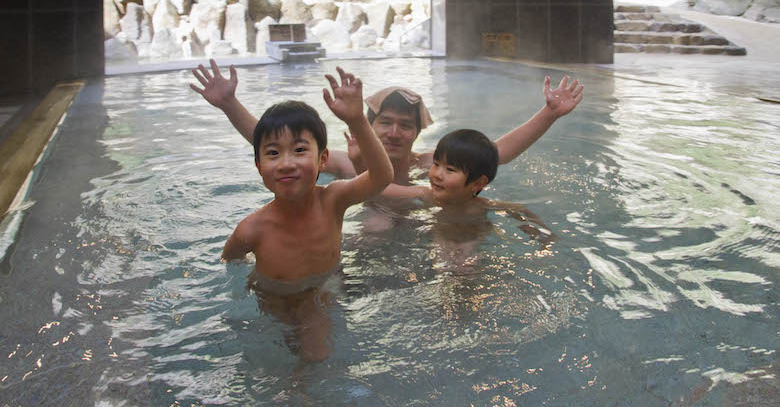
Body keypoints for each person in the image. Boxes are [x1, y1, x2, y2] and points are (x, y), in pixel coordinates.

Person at [221, 67, 393, 361]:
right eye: (273, 153)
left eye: (300, 150)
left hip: (319, 291)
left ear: (323, 159)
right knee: (269, 356)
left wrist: (357, 120)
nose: (286, 163)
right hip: (272, 296)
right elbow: (231, 260)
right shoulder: (251, 229)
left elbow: (381, 176)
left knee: (316, 355)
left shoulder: (333, 200)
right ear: (259, 165)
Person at [189, 60, 584, 186]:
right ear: (369, 126)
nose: (395, 133)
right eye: (386, 123)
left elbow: (496, 153)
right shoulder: (348, 164)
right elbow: (281, 150)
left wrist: (548, 114)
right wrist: (230, 105)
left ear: (417, 131)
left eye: (405, 126)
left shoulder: (429, 164)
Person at [381, 129, 554, 271]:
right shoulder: (424, 195)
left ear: (478, 183)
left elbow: (519, 210)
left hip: (470, 241)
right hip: (441, 238)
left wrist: (542, 236)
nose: (437, 174)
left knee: (466, 269)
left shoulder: (481, 206)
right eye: (436, 164)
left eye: (450, 169)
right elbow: (379, 189)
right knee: (442, 266)